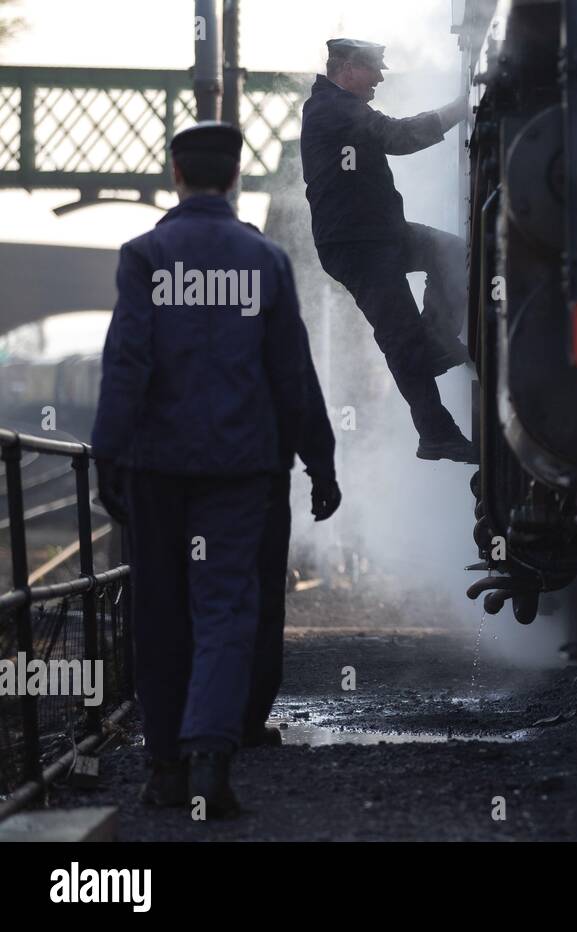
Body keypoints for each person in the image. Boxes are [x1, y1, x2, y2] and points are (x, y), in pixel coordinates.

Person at [93, 121, 309, 819]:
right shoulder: (266, 260)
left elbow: (128, 362)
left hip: (157, 467)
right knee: (226, 610)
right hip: (240, 470)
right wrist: (321, 461)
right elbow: (291, 372)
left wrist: (107, 453)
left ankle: (164, 770)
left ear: (176, 174)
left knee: (159, 612)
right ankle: (211, 763)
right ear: (236, 177)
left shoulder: (145, 255)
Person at [300, 37, 476, 463]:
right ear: (347, 68)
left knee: (453, 254)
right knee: (400, 336)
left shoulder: (340, 108)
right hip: (357, 243)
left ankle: (435, 342)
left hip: (380, 235)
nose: (380, 77)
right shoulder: (333, 109)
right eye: (374, 68)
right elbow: (398, 136)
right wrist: (460, 107)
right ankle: (436, 433)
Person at [243, 326, 341, 748]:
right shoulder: (266, 277)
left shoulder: (157, 274)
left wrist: (117, 457)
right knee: (261, 599)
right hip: (256, 471)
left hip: (177, 474)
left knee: (185, 598)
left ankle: (179, 737)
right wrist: (321, 465)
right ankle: (246, 721)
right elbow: (297, 381)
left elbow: (129, 368)